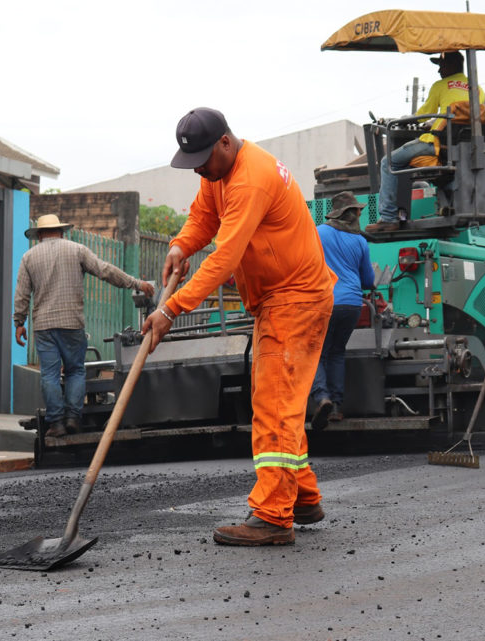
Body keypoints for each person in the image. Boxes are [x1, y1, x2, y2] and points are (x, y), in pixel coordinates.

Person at [142, 107, 336, 546]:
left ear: (225, 143)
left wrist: (171, 309)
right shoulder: (219, 176)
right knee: (280, 402)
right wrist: (179, 244)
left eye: (203, 161)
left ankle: (272, 516)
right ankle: (302, 496)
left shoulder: (251, 178)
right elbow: (202, 218)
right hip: (278, 299)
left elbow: (224, 257)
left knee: (273, 408)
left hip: (296, 299)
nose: (201, 173)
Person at [13, 214, 154, 439]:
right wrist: (136, 283)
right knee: (75, 370)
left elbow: (22, 294)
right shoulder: (77, 250)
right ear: (61, 231)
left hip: (44, 327)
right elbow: (105, 271)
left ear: (40, 235)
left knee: (49, 374)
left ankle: (56, 423)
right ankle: (72, 418)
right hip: (72, 323)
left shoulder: (29, 257)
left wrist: (19, 323)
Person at [368, 51, 485, 233]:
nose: (439, 70)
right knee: (444, 173)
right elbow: (463, 116)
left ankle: (389, 218)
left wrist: (407, 120)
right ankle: (447, 203)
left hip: (434, 144)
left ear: (454, 65)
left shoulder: (440, 86)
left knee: (388, 163)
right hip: (461, 150)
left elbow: (423, 113)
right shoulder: (477, 90)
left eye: (442, 65)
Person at [310, 191, 375, 430]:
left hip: (324, 301)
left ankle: (321, 397)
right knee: (337, 352)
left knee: (316, 352)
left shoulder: (318, 232)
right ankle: (336, 407)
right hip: (352, 304)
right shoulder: (359, 240)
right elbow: (368, 280)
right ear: (351, 215)